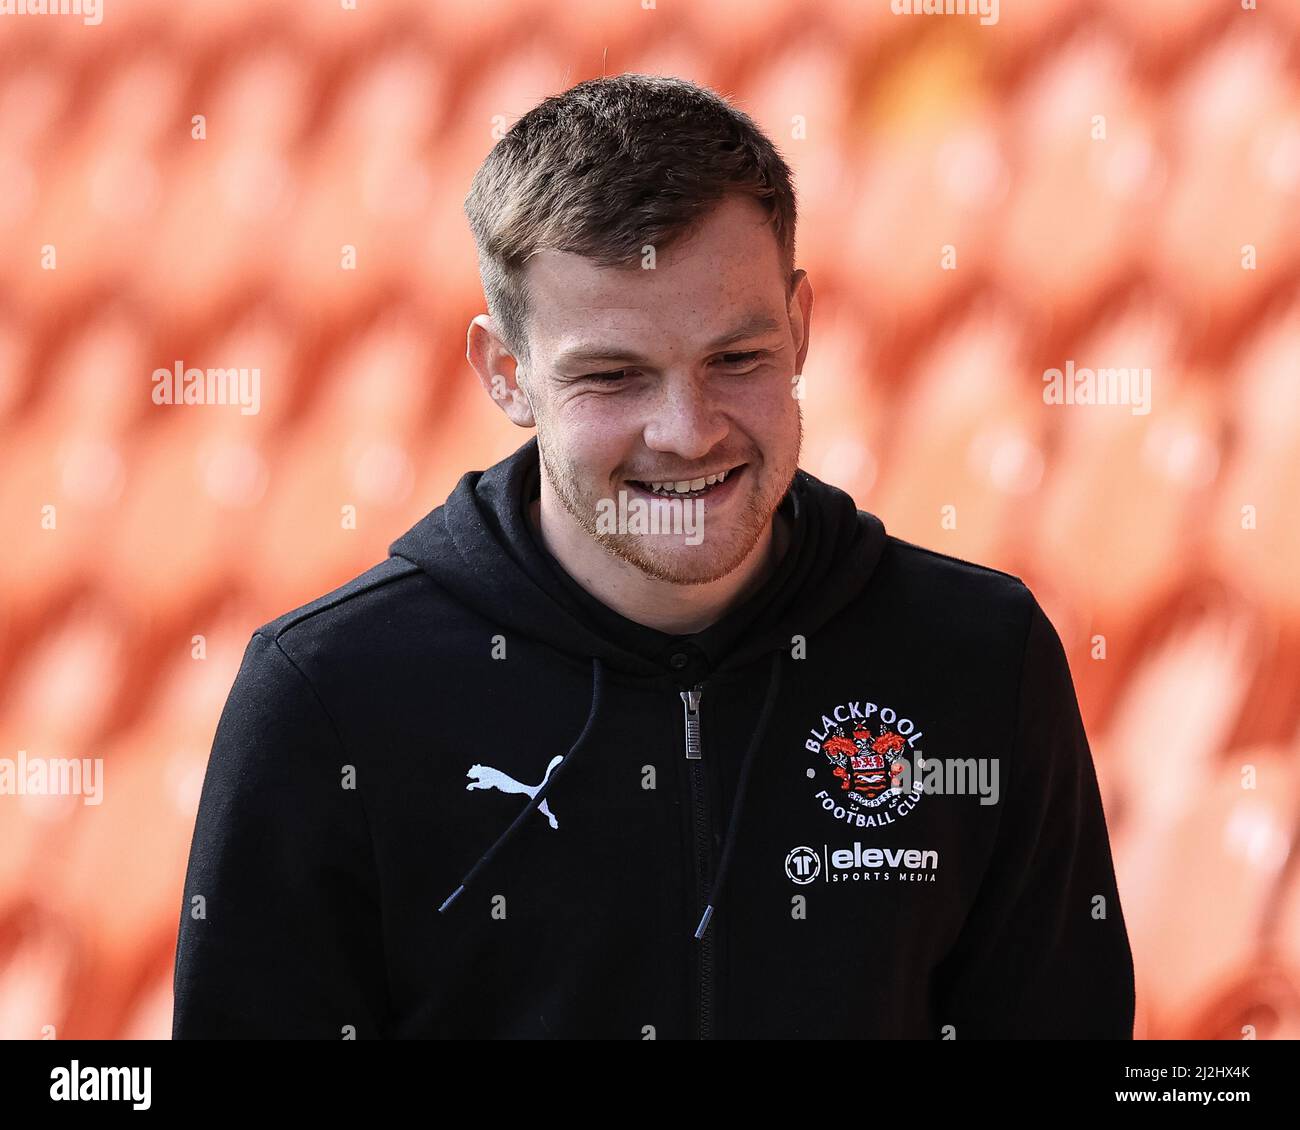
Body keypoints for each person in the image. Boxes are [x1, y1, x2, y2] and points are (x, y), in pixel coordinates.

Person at [172, 73, 1135, 1039]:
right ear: (506, 374)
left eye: (737, 359)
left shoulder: (976, 659)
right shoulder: (331, 698)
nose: (686, 431)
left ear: (800, 331)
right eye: (614, 376)